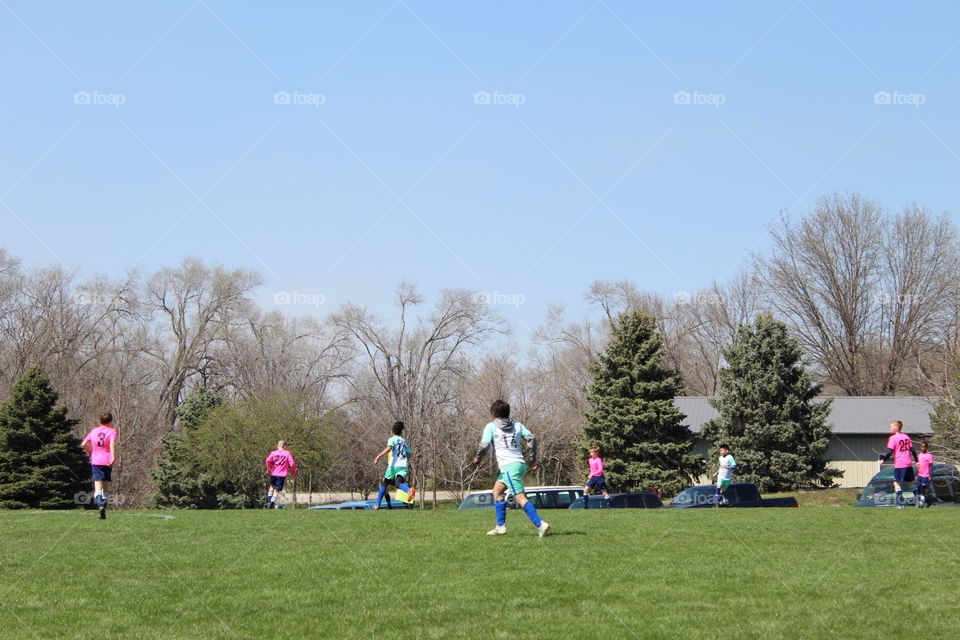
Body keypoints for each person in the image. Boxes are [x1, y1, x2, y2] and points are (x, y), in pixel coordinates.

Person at [471, 399, 550, 537]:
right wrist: (532, 459)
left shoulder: (491, 427)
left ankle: (540, 524)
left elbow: (484, 445)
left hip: (508, 467)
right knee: (497, 491)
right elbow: (532, 438)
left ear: (493, 413)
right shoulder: (518, 425)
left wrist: (477, 458)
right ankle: (500, 526)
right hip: (519, 464)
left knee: (520, 498)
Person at [81, 412, 118, 520]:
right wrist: (113, 457)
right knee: (105, 486)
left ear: (100, 421)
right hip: (107, 460)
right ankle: (104, 507)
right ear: (110, 422)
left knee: (98, 486)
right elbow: (111, 445)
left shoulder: (94, 431)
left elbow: (84, 444)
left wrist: (91, 453)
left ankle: (100, 505)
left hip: (96, 461)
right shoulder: (112, 431)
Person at [373, 421, 415, 510]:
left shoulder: (392, 439)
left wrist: (378, 456)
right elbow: (409, 453)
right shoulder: (403, 441)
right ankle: (408, 490)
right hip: (403, 465)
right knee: (398, 483)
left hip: (393, 466)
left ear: (392, 431)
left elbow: (388, 448)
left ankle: (377, 504)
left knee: (385, 483)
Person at [879, 420, 918, 509]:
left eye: (891, 426)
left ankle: (901, 504)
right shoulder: (906, 437)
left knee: (897, 484)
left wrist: (883, 459)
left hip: (900, 464)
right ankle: (919, 501)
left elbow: (889, 451)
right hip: (908, 464)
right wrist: (917, 461)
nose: (890, 428)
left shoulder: (893, 438)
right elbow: (913, 450)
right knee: (911, 484)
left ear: (896, 427)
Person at [264, 441, 297, 509]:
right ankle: (272, 503)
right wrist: (293, 472)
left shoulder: (273, 453)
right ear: (284, 446)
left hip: (273, 473)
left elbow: (267, 460)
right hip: (281, 475)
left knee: (271, 487)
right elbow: (292, 464)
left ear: (278, 446)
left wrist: (268, 468)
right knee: (276, 490)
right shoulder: (287, 453)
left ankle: (269, 501)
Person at [916, 441, 935, 508]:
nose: (923, 448)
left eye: (925, 447)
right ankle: (924, 499)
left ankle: (923, 501)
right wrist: (916, 474)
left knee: (923, 487)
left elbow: (931, 466)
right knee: (918, 487)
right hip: (919, 475)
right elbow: (918, 466)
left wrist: (930, 475)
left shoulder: (929, 456)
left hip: (926, 475)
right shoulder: (919, 455)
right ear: (920, 447)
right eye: (922, 447)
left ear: (927, 447)